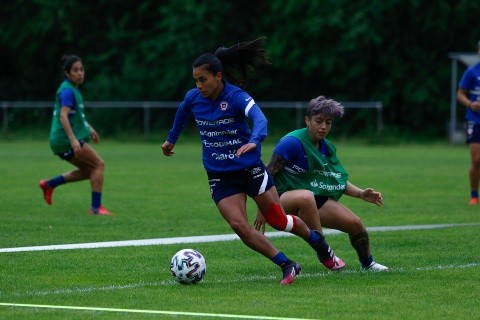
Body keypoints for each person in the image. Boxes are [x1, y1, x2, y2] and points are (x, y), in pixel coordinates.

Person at [161, 38, 344, 285]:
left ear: (218, 76)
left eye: (202, 79)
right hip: (220, 176)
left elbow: (260, 120)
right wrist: (171, 139)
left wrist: (255, 140)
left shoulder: (236, 96)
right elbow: (182, 112)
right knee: (240, 226)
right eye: (195, 80)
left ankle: (320, 244)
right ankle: (287, 264)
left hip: (250, 170)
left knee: (279, 221)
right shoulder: (194, 98)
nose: (198, 85)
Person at [256, 95, 388, 271]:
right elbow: (266, 174)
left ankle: (368, 264)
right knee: (305, 196)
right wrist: (263, 208)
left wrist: (360, 193)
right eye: (318, 121)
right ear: (307, 120)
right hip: (281, 201)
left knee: (355, 224)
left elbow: (333, 179)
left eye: (328, 122)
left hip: (311, 200)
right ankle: (325, 252)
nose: (324, 127)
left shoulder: (328, 147)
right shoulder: (291, 142)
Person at [39, 54, 110, 215]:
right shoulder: (67, 92)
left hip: (61, 140)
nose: (80, 73)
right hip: (64, 140)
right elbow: (63, 116)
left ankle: (49, 184)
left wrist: (88, 128)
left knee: (89, 170)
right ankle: (96, 208)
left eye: (81, 69)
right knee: (99, 164)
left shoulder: (72, 90)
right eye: (75, 70)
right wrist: (73, 139)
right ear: (67, 73)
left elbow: (75, 116)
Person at [457, 39, 480, 205]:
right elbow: (460, 94)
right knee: (477, 160)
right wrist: (471, 104)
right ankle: (474, 195)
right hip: (475, 119)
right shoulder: (472, 71)